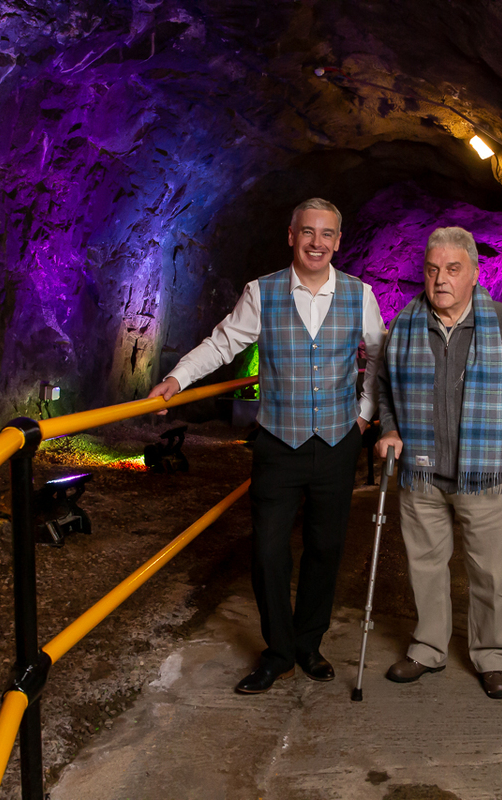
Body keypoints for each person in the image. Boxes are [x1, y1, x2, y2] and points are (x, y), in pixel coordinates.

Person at [147, 198, 386, 694]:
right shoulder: (262, 292)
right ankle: (279, 651)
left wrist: (364, 414)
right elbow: (222, 343)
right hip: (278, 443)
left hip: (338, 442)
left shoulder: (361, 295)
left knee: (325, 548)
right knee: (268, 551)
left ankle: (308, 644)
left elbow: (378, 358)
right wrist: (177, 378)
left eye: (327, 234)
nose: (317, 242)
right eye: (308, 232)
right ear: (292, 235)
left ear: (339, 242)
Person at [376, 226, 502, 700]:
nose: (440, 280)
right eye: (432, 269)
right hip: (422, 472)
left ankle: (494, 657)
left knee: (491, 573)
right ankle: (428, 648)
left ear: (474, 273)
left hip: (488, 475)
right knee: (425, 566)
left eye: (453, 269)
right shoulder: (406, 324)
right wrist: (390, 428)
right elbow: (386, 389)